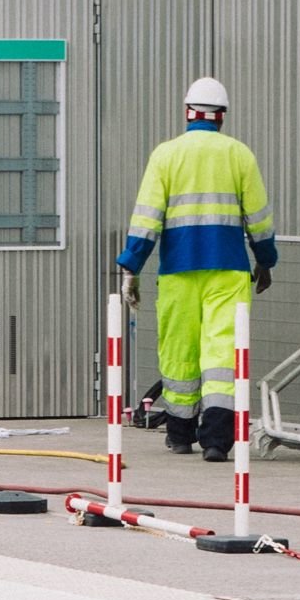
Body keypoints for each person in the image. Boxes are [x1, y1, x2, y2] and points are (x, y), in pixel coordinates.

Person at [115, 75, 276, 462]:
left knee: (178, 351)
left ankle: (180, 435)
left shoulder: (165, 155)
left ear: (188, 113)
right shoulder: (239, 155)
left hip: (177, 270)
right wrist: (265, 261)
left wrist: (131, 268)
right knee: (222, 352)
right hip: (229, 270)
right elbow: (259, 218)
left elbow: (146, 218)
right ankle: (218, 442)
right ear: (222, 116)